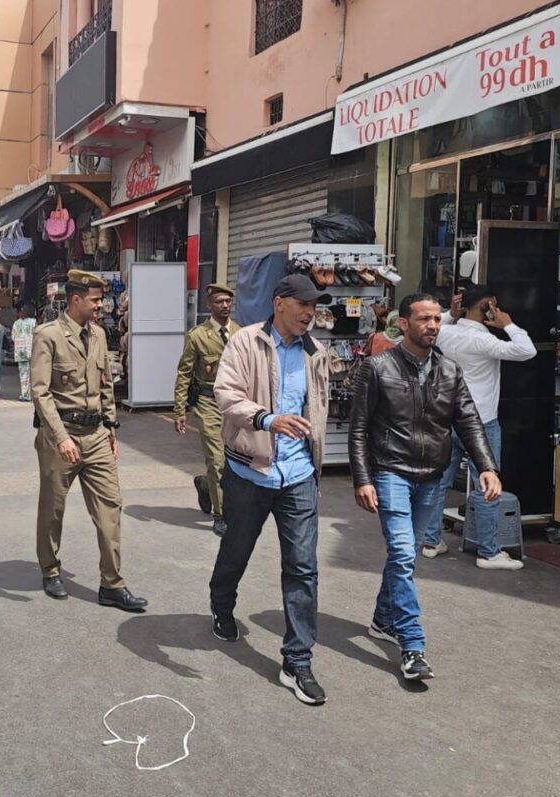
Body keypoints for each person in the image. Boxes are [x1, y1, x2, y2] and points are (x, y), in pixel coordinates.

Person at [348, 293, 501, 683]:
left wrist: (487, 466)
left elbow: (468, 420)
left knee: (407, 556)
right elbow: (359, 428)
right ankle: (412, 646)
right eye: (424, 319)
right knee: (401, 552)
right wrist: (363, 478)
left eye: (436, 319)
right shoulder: (377, 367)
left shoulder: (449, 370)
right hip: (391, 472)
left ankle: (384, 619)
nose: (433, 325)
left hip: (433, 476)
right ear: (404, 324)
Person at [208, 274, 332, 704]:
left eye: (314, 306)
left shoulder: (316, 352)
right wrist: (265, 419)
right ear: (279, 303)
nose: (310, 313)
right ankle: (222, 604)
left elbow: (316, 407)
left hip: (297, 475)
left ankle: (297, 661)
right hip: (250, 471)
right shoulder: (245, 343)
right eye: (304, 304)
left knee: (302, 567)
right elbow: (225, 393)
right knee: (237, 549)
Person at [31, 268, 147, 612]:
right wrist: (60, 436)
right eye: (96, 300)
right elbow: (40, 391)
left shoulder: (97, 334)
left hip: (96, 435)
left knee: (111, 507)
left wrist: (111, 429)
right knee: (53, 508)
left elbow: (106, 385)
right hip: (60, 437)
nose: (101, 305)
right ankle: (50, 569)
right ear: (76, 299)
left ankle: (112, 583)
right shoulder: (48, 335)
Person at [421, 286, 536, 568]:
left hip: (446, 418)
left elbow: (433, 329)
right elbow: (527, 350)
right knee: (487, 485)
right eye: (493, 306)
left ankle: (431, 540)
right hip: (480, 422)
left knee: (438, 481)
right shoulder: (484, 341)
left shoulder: (445, 333)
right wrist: (508, 325)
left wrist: (450, 314)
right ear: (487, 305)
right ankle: (488, 551)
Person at [174, 284, 241, 536]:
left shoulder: (241, 333)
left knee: (236, 460)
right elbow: (184, 374)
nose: (225, 305)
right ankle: (220, 514)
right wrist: (179, 410)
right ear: (209, 306)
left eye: (228, 301)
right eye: (220, 301)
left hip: (235, 403)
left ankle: (204, 485)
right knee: (217, 460)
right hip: (208, 402)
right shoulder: (198, 336)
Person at [12, 303, 37, 402]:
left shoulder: (16, 323)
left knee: (23, 374)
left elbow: (13, 337)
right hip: (32, 350)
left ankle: (24, 394)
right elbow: (37, 335)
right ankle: (30, 394)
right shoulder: (33, 322)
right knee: (32, 374)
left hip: (20, 351)